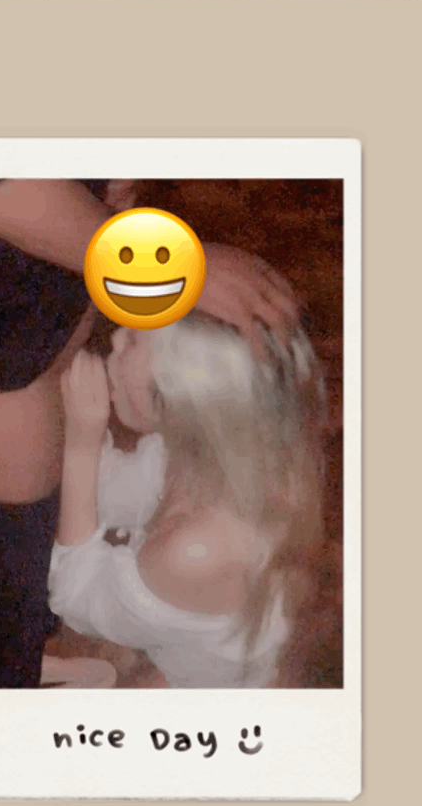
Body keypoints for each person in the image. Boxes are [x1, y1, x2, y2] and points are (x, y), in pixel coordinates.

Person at [48, 246, 326, 688]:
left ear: (183, 396)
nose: (114, 339)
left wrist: (83, 445)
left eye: (133, 340)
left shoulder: (197, 547)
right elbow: (125, 489)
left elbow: (75, 598)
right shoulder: (217, 454)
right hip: (214, 640)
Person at [0, 178, 138, 688]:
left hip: (15, 474)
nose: (117, 342)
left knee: (4, 617)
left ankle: (12, 656)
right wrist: (177, 268)